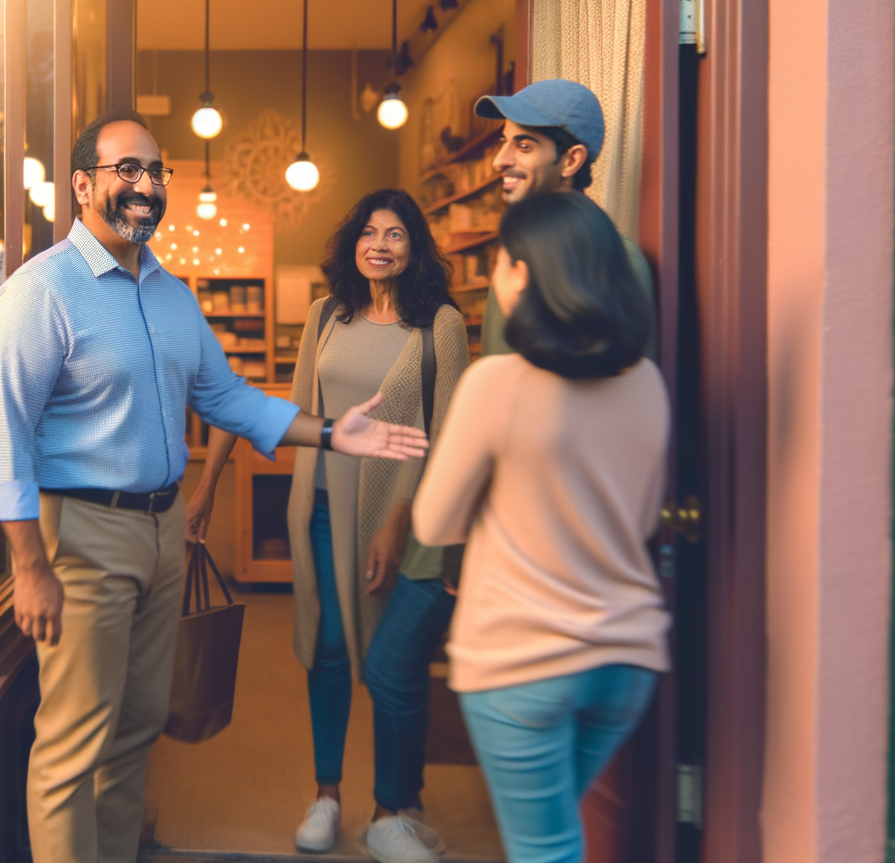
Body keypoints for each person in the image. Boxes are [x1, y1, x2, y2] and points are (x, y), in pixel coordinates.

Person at [0, 109, 431, 863]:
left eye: (156, 172)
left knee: (136, 728)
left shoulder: (169, 293)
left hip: (162, 532)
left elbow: (226, 398)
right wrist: (28, 565)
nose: (145, 185)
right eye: (127, 168)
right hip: (81, 532)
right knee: (72, 742)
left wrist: (327, 430)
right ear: (82, 184)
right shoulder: (40, 292)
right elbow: (4, 435)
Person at [187, 190, 468, 862]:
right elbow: (289, 407)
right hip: (317, 504)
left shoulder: (441, 325)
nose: (379, 243)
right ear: (352, 244)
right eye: (368, 231)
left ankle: (393, 809)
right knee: (329, 649)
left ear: (415, 247)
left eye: (395, 234)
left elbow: (453, 431)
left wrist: (399, 520)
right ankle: (327, 794)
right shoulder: (326, 314)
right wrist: (207, 485)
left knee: (392, 664)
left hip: (397, 514)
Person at [411, 191, 668, 863]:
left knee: (545, 850)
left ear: (522, 274)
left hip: (521, 660)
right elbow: (638, 520)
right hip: (625, 660)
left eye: (498, 262)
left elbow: (435, 521)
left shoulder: (499, 382)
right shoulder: (646, 382)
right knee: (551, 836)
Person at [475, 79, 655, 360]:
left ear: (571, 161)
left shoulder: (619, 258)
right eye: (504, 142)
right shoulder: (513, 250)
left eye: (523, 146)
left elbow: (631, 383)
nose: (499, 160)